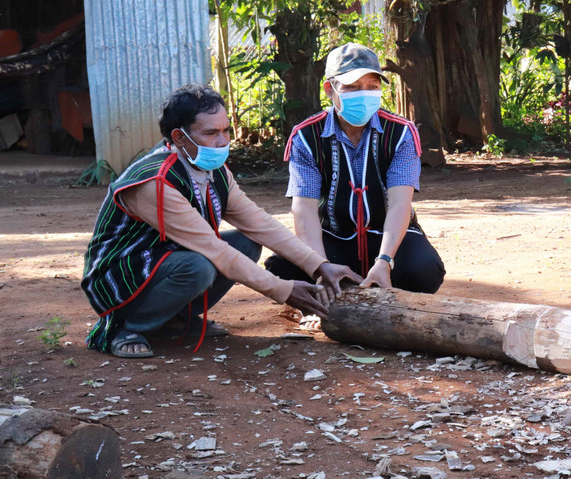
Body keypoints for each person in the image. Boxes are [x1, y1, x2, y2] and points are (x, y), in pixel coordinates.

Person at [82, 84, 359, 358]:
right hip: (121, 274)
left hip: (163, 260)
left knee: (246, 243)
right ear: (179, 137)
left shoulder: (213, 171)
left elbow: (259, 223)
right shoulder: (156, 180)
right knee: (200, 266)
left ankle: (177, 320)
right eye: (211, 132)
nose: (223, 140)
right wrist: (284, 290)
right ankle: (127, 327)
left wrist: (320, 265)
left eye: (226, 130)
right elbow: (214, 249)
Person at [265, 43, 444, 323]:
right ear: (330, 90)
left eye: (372, 87)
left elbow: (399, 203)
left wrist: (384, 261)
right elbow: (304, 210)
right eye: (351, 87)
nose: (364, 94)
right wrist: (319, 268)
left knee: (423, 270)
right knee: (281, 267)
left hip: (387, 239)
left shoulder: (401, 133)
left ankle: (375, 289)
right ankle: (331, 291)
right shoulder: (305, 137)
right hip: (332, 239)